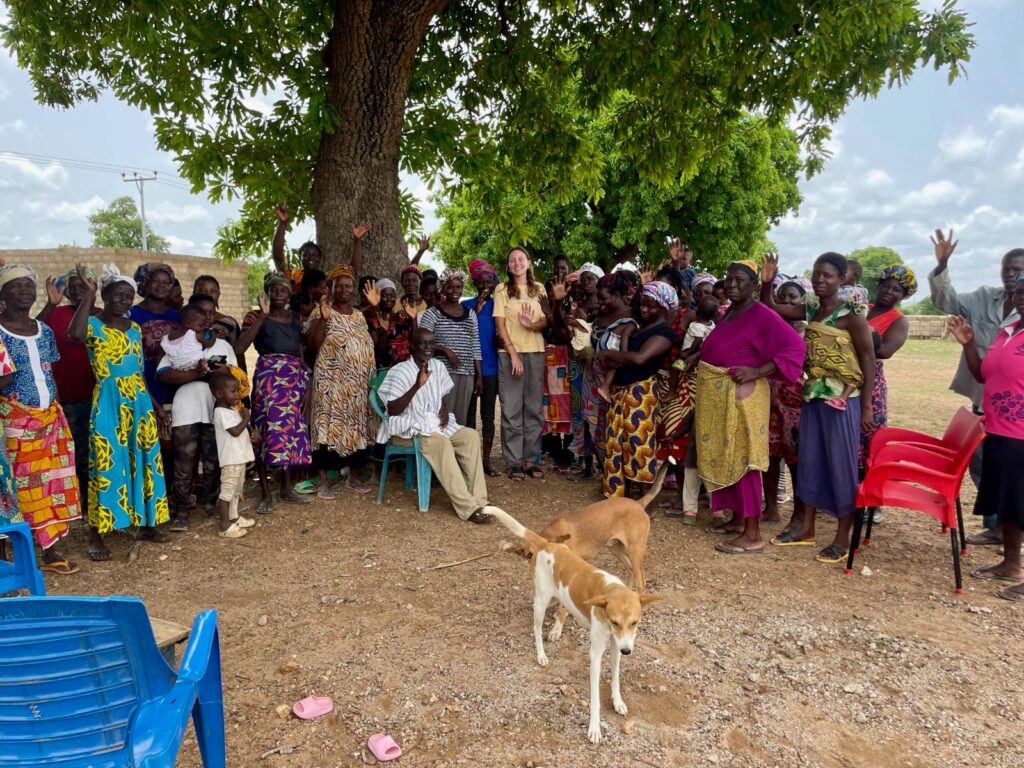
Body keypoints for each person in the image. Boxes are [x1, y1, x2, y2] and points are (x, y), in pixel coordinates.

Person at [763, 252, 876, 563]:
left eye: (828, 275)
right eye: (817, 274)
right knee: (810, 462)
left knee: (841, 467)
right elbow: (772, 309)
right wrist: (767, 282)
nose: (820, 280)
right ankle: (806, 529)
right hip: (812, 396)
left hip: (843, 401)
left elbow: (868, 360)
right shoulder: (811, 307)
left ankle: (842, 536)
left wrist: (866, 407)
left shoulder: (852, 315)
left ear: (842, 279)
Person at [690, 261, 805, 552]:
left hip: (743, 396)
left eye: (739, 280)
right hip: (720, 396)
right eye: (728, 279)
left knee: (745, 458)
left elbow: (795, 347)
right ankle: (738, 519)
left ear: (753, 286)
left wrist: (756, 371)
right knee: (728, 453)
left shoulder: (762, 314)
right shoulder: (730, 313)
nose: (731, 284)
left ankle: (753, 534)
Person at [929, 229, 1024, 546]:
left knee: (1014, 477)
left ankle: (1009, 532)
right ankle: (997, 526)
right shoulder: (986, 300)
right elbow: (946, 300)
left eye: (1018, 270)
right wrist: (942, 266)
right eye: (1007, 269)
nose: (1012, 275)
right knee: (985, 465)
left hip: (1017, 417)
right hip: (986, 402)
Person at [69, 263, 170, 560]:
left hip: (138, 400)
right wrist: (88, 295)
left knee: (144, 459)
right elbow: (74, 335)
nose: (123, 300)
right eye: (117, 295)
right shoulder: (92, 325)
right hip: (109, 400)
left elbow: (138, 373)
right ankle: (96, 535)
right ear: (106, 295)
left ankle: (146, 524)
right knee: (106, 462)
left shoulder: (134, 329)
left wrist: (154, 406)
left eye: (128, 296)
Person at [0, 264, 82, 574]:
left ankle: (50, 552)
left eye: (27, 285)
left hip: (49, 419)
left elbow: (47, 369)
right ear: (3, 295)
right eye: (15, 286)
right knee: (16, 487)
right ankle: (8, 557)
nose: (23, 290)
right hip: (14, 422)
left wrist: (54, 406)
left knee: (51, 484)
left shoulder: (43, 330)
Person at [947, 276, 1024, 601]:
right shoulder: (1009, 331)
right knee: (1010, 503)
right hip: (998, 429)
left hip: (1021, 435)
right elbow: (983, 375)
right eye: (1019, 290)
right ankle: (1010, 563)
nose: (1021, 296)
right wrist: (968, 344)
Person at [377, 328, 492, 524]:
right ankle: (467, 507)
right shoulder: (400, 371)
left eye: (432, 343)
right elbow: (393, 409)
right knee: (442, 444)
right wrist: (416, 386)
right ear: (413, 346)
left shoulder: (437, 366)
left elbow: (440, 395)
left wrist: (444, 409)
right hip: (410, 426)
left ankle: (480, 501)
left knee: (470, 436)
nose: (429, 347)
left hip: (435, 423)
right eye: (424, 343)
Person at [156, 295, 239, 531]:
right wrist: (196, 373)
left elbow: (230, 375)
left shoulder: (222, 344)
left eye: (210, 313)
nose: (206, 318)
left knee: (213, 459)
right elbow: (162, 373)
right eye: (201, 313)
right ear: (189, 319)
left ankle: (210, 502)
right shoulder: (178, 341)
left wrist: (208, 371)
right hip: (185, 406)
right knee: (184, 461)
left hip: (214, 406)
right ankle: (182, 510)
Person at [235, 273, 313, 510]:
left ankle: (286, 489)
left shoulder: (296, 319)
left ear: (289, 295)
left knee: (289, 434)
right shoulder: (254, 316)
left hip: (293, 380)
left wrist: (307, 386)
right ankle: (265, 493)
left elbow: (301, 352)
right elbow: (240, 347)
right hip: (268, 379)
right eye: (274, 290)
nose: (279, 294)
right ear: (267, 292)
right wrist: (263, 315)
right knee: (264, 430)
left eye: (283, 291)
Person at [598, 281, 678, 498]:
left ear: (663, 308)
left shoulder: (665, 333)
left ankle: (645, 498)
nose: (645, 309)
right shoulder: (637, 326)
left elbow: (640, 358)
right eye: (643, 304)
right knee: (616, 442)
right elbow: (626, 356)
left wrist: (608, 355)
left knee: (639, 444)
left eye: (651, 306)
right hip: (619, 391)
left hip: (641, 393)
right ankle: (618, 496)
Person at [303, 264, 376, 498]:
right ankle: (324, 480)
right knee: (326, 426)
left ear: (353, 290)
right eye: (339, 286)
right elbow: (312, 345)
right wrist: (324, 319)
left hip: (357, 386)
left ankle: (353, 477)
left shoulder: (359, 315)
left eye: (348, 286)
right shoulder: (321, 310)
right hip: (330, 384)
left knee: (356, 428)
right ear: (331, 288)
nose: (344, 290)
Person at [37, 267, 98, 534]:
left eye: (83, 286)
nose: (77, 291)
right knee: (71, 454)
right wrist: (51, 304)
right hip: (67, 396)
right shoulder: (59, 314)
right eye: (73, 287)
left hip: (99, 396)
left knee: (93, 453)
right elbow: (34, 332)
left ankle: (90, 503)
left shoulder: (103, 316)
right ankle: (73, 504)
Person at [493, 247, 548, 481]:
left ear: (528, 262)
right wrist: (513, 353)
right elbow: (500, 325)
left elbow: (545, 321)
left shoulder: (540, 289)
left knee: (534, 409)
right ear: (508, 266)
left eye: (521, 259)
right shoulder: (502, 289)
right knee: (512, 409)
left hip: (536, 353)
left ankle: (530, 459)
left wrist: (530, 325)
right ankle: (514, 461)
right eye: (512, 260)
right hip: (510, 355)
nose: (517, 263)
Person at [763, 277, 811, 525]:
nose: (786, 302)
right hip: (768, 398)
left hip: (795, 401)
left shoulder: (810, 332)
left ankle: (799, 514)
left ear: (802, 302)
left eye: (792, 297)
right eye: (781, 297)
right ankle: (770, 508)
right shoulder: (769, 327)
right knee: (769, 457)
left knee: (796, 458)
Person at [419, 269, 481, 427]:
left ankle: (456, 452)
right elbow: (421, 342)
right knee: (441, 417)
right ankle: (441, 451)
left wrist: (479, 376)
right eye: (450, 287)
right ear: (443, 288)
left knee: (460, 420)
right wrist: (445, 350)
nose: (455, 291)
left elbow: (475, 345)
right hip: (442, 372)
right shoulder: (433, 313)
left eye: (459, 287)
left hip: (467, 372)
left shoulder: (471, 314)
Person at [463, 260, 500, 476]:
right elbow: (465, 333)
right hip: (469, 368)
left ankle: (486, 461)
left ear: (494, 283)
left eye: (488, 281)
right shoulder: (466, 306)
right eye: (480, 282)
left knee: (487, 415)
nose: (484, 285)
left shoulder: (499, 306)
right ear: (475, 283)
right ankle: (470, 461)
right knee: (468, 416)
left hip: (490, 369)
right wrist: (476, 310)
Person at [210, 373, 258, 538]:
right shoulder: (220, 412)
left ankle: (234, 517)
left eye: (238, 391)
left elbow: (241, 430)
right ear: (219, 394)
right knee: (227, 492)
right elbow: (236, 431)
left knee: (237, 491)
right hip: (231, 460)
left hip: (239, 458)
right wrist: (247, 418)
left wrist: (252, 434)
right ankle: (224, 526)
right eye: (233, 391)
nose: (237, 394)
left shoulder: (231, 410)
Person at [130, 263, 180, 407]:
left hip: (174, 382)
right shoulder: (132, 314)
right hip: (145, 381)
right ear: (144, 283)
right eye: (156, 281)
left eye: (166, 282)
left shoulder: (178, 316)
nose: (162, 285)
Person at [364, 278, 418, 370]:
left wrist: (413, 319)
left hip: (406, 369)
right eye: (385, 295)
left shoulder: (403, 318)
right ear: (378, 296)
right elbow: (377, 350)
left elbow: (415, 343)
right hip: (385, 370)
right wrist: (385, 331)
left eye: (392, 296)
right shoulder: (373, 320)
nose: (389, 299)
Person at [272, 202, 322, 292]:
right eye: (306, 255)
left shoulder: (326, 279)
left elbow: (350, 271)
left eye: (315, 255)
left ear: (320, 258)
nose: (310, 258)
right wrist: (283, 223)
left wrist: (357, 240)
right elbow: (277, 258)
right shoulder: (293, 277)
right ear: (300, 258)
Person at [160, 304, 217, 370]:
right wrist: (214, 334)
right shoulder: (194, 334)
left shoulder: (165, 339)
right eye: (200, 325)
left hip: (178, 369)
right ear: (188, 323)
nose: (202, 328)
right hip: (196, 365)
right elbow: (209, 344)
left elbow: (161, 356)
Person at [194, 275, 242, 349]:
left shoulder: (230, 323)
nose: (208, 295)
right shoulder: (185, 319)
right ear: (194, 293)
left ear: (218, 294)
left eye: (212, 291)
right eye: (202, 291)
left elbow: (238, 354)